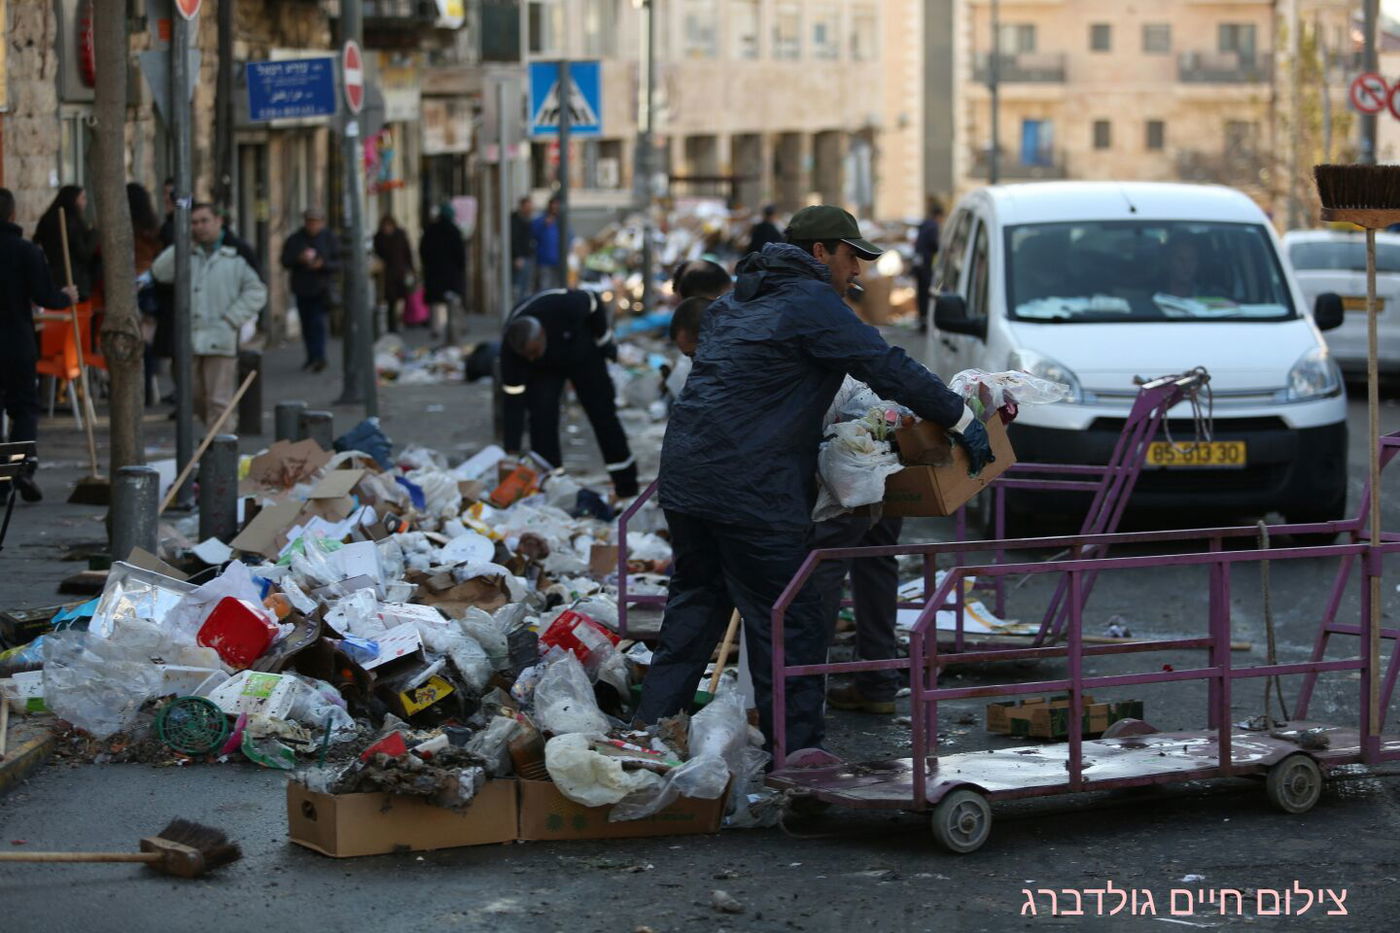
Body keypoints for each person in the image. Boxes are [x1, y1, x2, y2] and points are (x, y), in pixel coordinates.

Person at [636, 205, 993, 757]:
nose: (859, 271)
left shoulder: (735, 300)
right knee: (789, 622)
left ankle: (650, 742)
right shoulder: (810, 302)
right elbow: (886, 365)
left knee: (694, 609)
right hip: (749, 489)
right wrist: (962, 418)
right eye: (852, 257)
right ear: (820, 252)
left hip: (687, 481)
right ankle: (798, 765)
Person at [499, 288, 638, 498]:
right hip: (545, 371)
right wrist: (511, 451)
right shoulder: (513, 354)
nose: (531, 358)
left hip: (580, 351)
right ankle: (553, 485)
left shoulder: (566, 308)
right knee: (541, 418)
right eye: (527, 356)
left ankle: (626, 485)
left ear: (542, 334)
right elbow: (513, 402)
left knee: (603, 413)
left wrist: (604, 340)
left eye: (534, 352)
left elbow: (593, 300)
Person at [152, 203, 266, 425]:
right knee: (193, 397)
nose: (200, 227)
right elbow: (160, 272)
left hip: (221, 337)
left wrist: (233, 318)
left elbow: (257, 290)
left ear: (218, 221)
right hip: (190, 339)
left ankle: (221, 451)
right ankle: (213, 444)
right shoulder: (188, 253)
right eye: (194, 223)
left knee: (219, 401)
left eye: (204, 221)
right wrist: (183, 243)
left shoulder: (236, 252)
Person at [0, 188, 79, 502]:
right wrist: (68, 296)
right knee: (23, 409)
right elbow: (46, 296)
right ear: (13, 214)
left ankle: (6, 478)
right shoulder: (26, 252)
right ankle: (14, 471)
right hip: (16, 341)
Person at [280, 207, 338, 372]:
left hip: (321, 289)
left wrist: (323, 264)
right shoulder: (296, 239)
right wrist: (299, 259)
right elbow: (285, 260)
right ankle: (311, 356)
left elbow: (339, 262)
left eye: (316, 222)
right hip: (302, 288)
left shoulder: (328, 238)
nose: (312, 225)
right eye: (310, 222)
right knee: (306, 324)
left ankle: (319, 357)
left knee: (317, 323)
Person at [127, 183, 164, 406]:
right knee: (146, 341)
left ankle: (141, 387)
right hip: (148, 283)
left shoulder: (125, 227)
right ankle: (147, 384)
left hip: (133, 283)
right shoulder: (152, 226)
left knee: (135, 340)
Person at [33, 185, 98, 300]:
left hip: (53, 277)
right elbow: (84, 254)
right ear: (73, 199)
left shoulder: (48, 219)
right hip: (73, 280)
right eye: (82, 198)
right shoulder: (71, 222)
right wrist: (94, 232)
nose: (85, 202)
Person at [420, 203, 466, 338]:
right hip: (451, 273)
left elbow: (423, 250)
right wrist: (460, 267)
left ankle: (436, 328)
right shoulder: (454, 231)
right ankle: (455, 328)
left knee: (436, 303)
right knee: (453, 301)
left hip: (434, 271)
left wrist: (427, 264)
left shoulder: (430, 230)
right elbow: (460, 254)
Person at [373, 214, 416, 333]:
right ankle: (392, 324)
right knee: (390, 299)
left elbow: (407, 252)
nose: (387, 228)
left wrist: (411, 268)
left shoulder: (400, 235)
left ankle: (404, 319)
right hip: (386, 274)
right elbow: (377, 253)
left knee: (402, 297)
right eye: (385, 226)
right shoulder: (379, 237)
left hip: (399, 272)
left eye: (389, 226)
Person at [914, 198, 943, 333]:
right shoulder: (933, 226)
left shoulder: (924, 224)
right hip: (926, 264)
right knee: (927, 293)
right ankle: (926, 322)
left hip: (919, 264)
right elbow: (934, 244)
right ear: (939, 216)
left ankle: (922, 321)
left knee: (920, 293)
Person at [531, 196, 565, 291]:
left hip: (559, 261)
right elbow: (533, 234)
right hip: (544, 260)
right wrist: (543, 225)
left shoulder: (561, 222)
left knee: (557, 287)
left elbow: (569, 238)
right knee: (545, 286)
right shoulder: (541, 221)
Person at [510, 197, 536, 305]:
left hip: (528, 256)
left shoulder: (529, 220)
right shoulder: (515, 220)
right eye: (527, 207)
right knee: (519, 287)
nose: (530, 210)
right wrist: (517, 256)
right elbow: (514, 239)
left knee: (526, 287)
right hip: (520, 258)